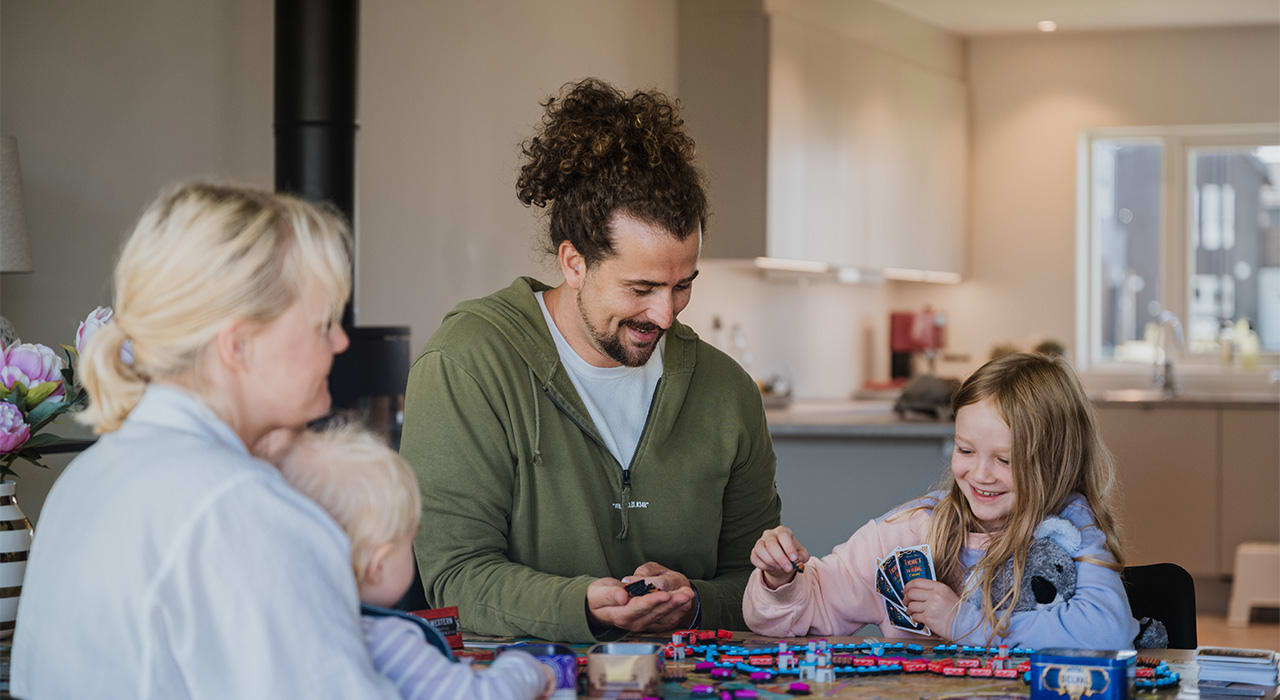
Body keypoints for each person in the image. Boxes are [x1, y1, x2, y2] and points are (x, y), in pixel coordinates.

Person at [399, 77, 781, 643]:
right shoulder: (467, 366)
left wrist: (695, 602)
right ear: (574, 263)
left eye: (683, 286)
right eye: (641, 287)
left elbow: (761, 584)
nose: (666, 316)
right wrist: (580, 605)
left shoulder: (727, 392)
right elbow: (454, 578)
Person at [12, 183, 401, 698]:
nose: (340, 342)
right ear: (238, 345)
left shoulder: (84, 478)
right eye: (323, 322)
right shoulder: (241, 508)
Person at [743, 352, 1139, 649]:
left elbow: (1109, 630)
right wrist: (782, 581)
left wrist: (963, 623)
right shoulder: (913, 530)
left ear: (1057, 460)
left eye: (1005, 459)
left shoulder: (1069, 529)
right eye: (966, 451)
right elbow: (805, 610)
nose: (980, 475)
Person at [277, 425, 556, 700]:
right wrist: (526, 668)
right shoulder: (385, 641)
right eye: (410, 539)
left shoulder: (285, 635)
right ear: (380, 565)